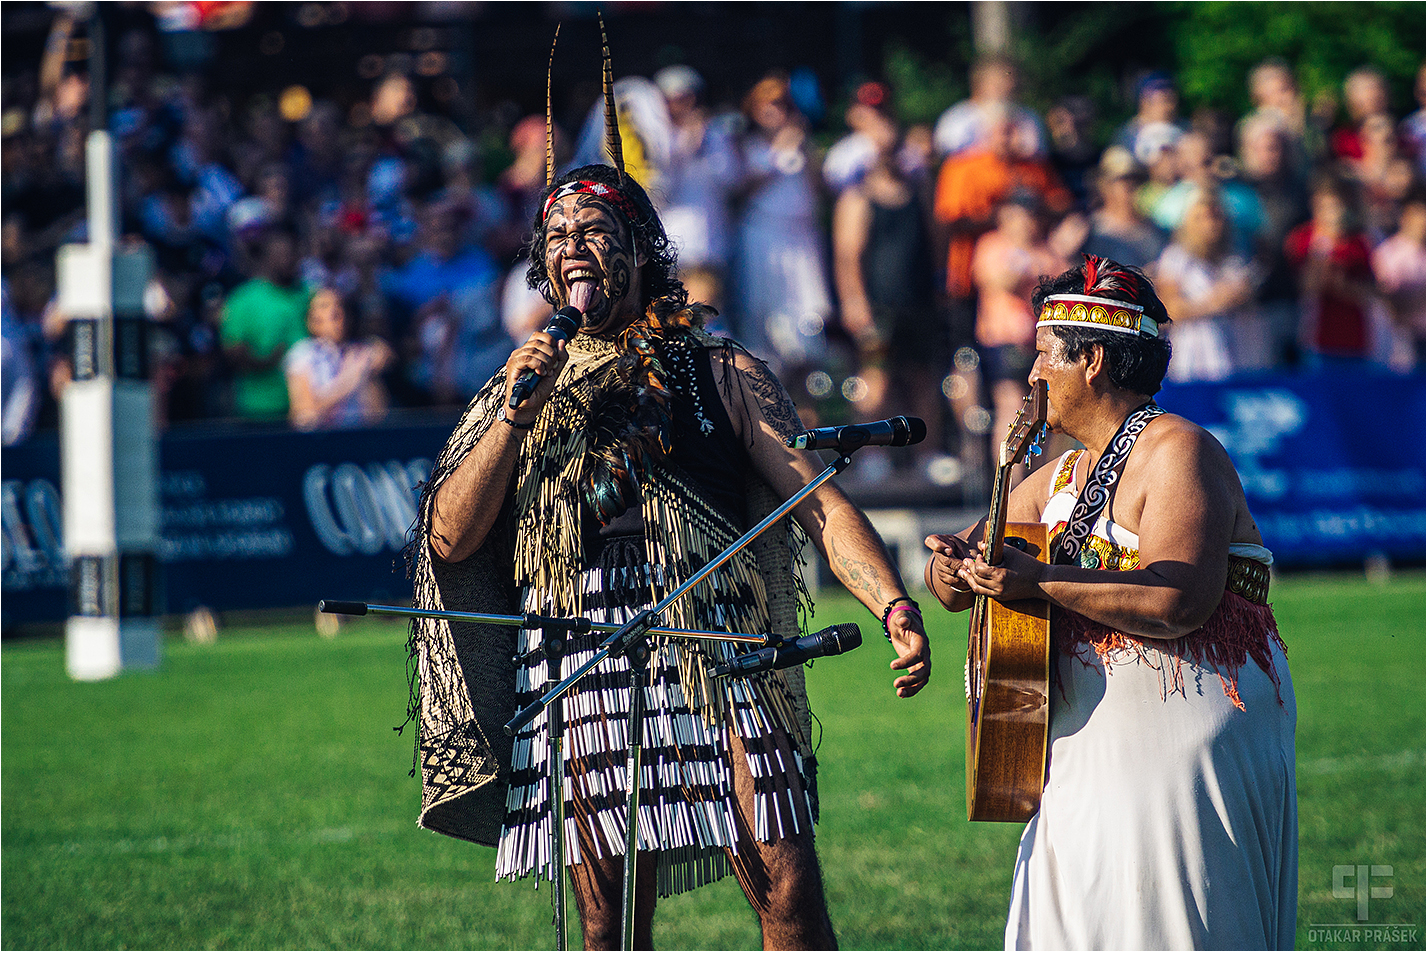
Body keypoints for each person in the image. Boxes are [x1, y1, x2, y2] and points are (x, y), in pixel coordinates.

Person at [406, 79, 930, 952]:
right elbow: (452, 536)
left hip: (715, 639)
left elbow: (821, 506)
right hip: (578, 644)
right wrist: (512, 412)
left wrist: (893, 605)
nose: (575, 249)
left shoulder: (720, 368)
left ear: (641, 249)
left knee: (787, 883)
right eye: (558, 238)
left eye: (595, 232)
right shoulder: (519, 383)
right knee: (610, 923)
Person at [924, 257, 1296, 949]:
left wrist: (1035, 580)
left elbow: (1179, 599)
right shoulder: (1055, 475)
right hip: (1076, 750)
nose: (1034, 373)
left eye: (1043, 354)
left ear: (1090, 358)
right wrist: (949, 567)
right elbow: (957, 579)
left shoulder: (1178, 450)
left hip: (1183, 747)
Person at [1153, 187, 1263, 380]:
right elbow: (1169, 311)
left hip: (1236, 356)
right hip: (1193, 360)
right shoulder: (1175, 258)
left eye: (1214, 217)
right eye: (1201, 217)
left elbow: (1249, 304)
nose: (1210, 224)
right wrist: (1214, 302)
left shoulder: (1235, 258)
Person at [219, 227, 310, 420]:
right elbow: (233, 354)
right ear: (266, 257)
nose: (288, 260)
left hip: (309, 406)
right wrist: (268, 361)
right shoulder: (242, 300)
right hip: (260, 410)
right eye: (281, 255)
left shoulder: (310, 295)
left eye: (292, 254)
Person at [283, 287, 393, 430]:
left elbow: (378, 416)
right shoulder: (301, 354)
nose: (334, 311)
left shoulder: (362, 350)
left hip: (360, 438)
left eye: (339, 305)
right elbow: (304, 417)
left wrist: (370, 372)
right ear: (311, 319)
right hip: (320, 441)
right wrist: (352, 377)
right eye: (324, 306)